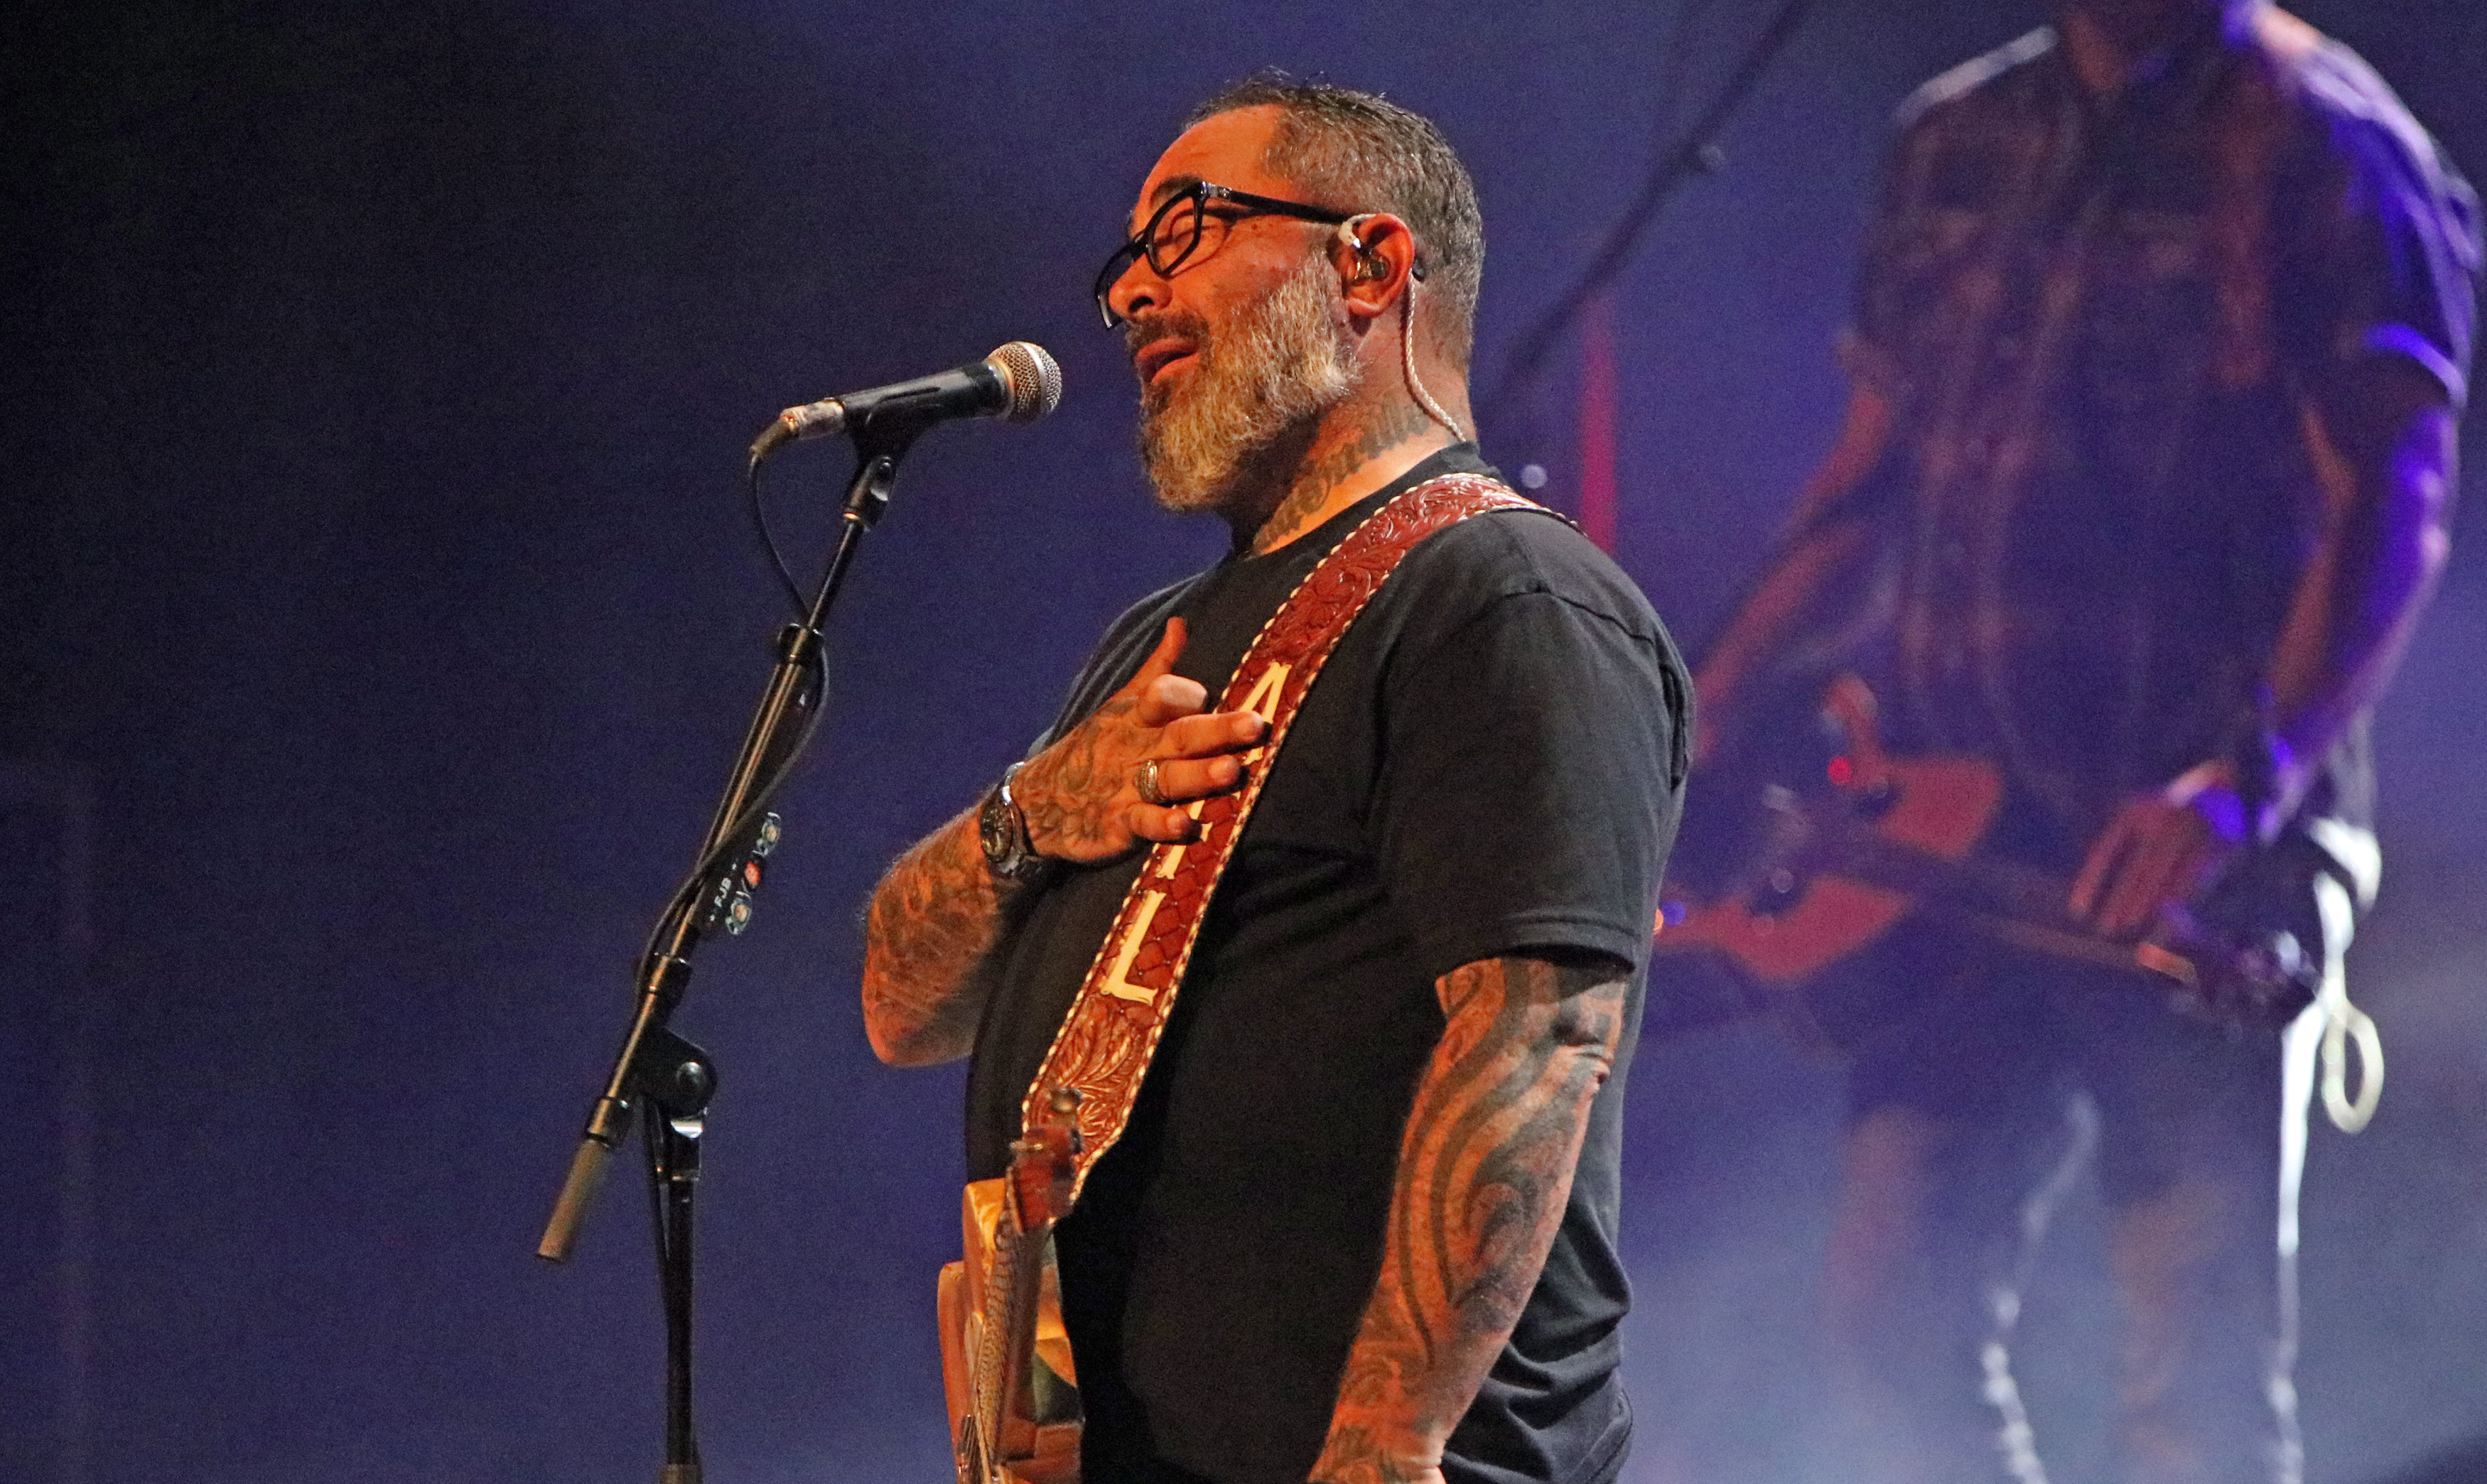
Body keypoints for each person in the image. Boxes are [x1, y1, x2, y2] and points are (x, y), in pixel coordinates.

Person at [858, 77, 1689, 1484]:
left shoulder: (1506, 595)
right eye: (1125, 260)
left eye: (1184, 230)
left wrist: (1384, 1448)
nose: (1131, 293)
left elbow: (1536, 1039)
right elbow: (901, 1007)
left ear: (1367, 265)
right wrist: (1028, 813)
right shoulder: (1156, 640)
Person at [1688, 3, 2478, 1482]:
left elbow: (2394, 498)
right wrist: (1704, 702)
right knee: (1891, 1323)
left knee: (2194, 1383)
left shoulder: (2330, 146)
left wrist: (2244, 786)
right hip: (1947, 841)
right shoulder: (1955, 136)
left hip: (2197, 859)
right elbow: (1871, 478)